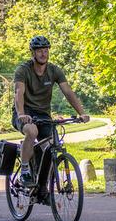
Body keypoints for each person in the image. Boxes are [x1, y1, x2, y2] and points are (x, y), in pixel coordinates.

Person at [12, 36, 90, 187]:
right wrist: (21, 114)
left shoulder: (54, 70)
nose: (43, 54)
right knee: (32, 131)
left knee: (51, 146)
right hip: (24, 112)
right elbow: (19, 93)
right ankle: (25, 171)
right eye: (39, 51)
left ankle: (42, 188)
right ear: (33, 53)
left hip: (43, 114)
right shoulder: (23, 70)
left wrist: (82, 112)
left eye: (46, 50)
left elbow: (68, 91)